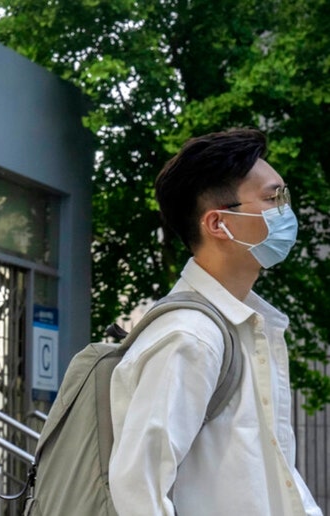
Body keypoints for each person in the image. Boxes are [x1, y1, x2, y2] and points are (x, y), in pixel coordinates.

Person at [108, 128, 323, 515]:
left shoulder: (245, 327)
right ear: (218, 224)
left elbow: (272, 473)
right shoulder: (191, 337)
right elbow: (138, 490)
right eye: (273, 198)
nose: (285, 211)